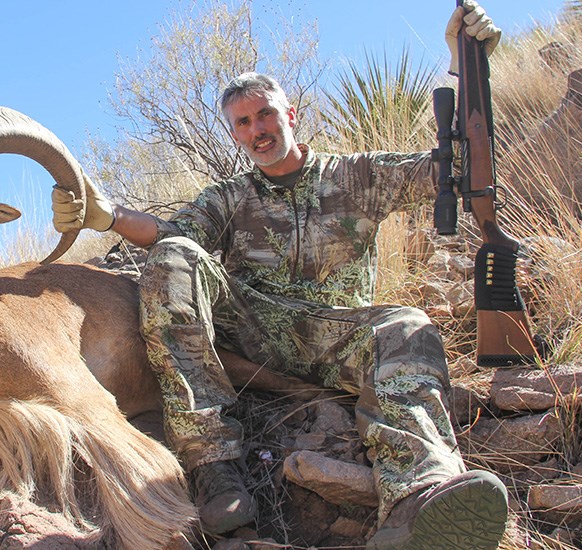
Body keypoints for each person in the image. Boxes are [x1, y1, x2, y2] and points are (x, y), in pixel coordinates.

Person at [52, 1, 509, 548]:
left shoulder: (358, 175)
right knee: (175, 257)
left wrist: (468, 63)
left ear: (289, 115)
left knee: (406, 324)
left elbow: (455, 166)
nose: (258, 129)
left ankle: (419, 498)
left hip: (334, 334)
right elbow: (170, 233)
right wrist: (107, 217)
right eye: (243, 123)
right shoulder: (230, 198)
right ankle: (213, 464)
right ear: (237, 137)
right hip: (253, 327)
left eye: (265, 114)